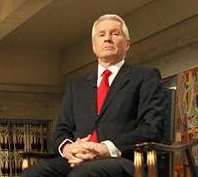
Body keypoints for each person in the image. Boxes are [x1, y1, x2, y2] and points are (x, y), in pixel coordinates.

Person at [22, 14, 167, 176]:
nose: (108, 39)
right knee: (32, 174)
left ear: (127, 44)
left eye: (114, 33)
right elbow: (62, 130)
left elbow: (151, 128)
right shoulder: (76, 86)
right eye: (102, 34)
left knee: (82, 174)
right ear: (93, 46)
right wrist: (69, 148)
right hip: (77, 160)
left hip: (123, 159)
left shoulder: (145, 77)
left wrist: (106, 148)